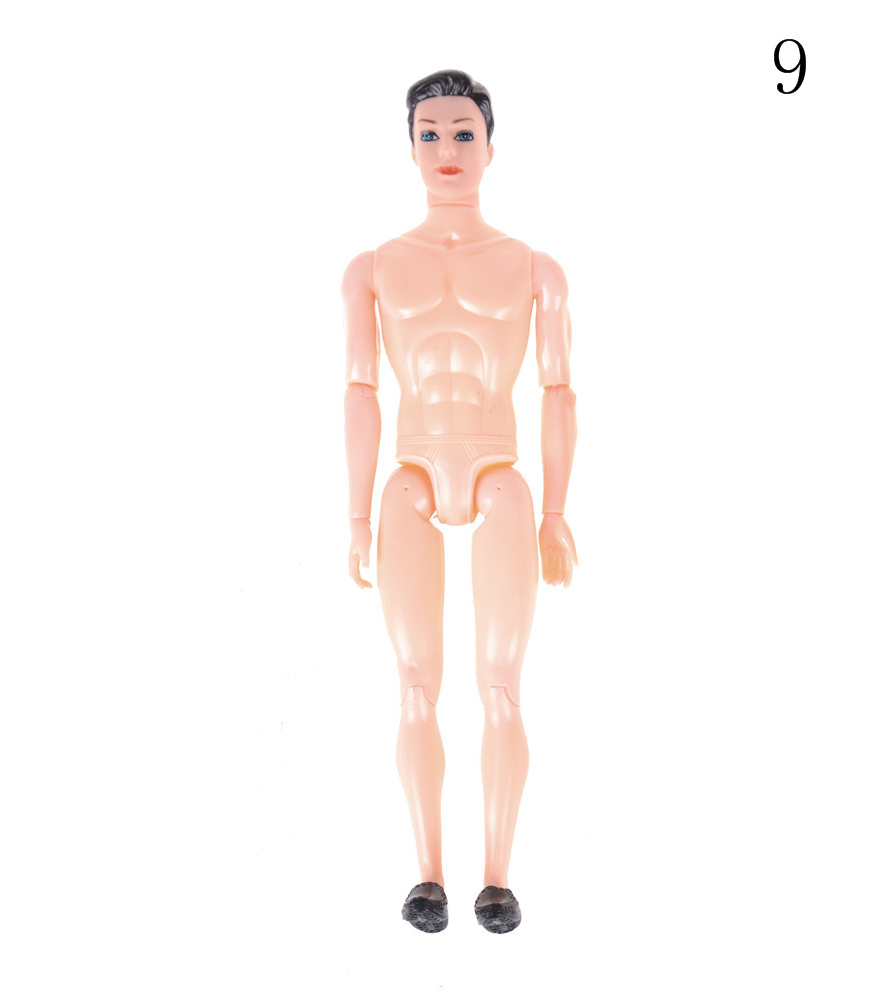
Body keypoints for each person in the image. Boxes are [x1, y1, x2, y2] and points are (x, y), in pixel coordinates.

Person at [342, 69, 578, 934]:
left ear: (490, 146)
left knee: (501, 684)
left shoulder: (534, 268)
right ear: (410, 148)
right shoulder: (372, 269)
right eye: (431, 134)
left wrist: (555, 511)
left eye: (464, 132)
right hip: (408, 474)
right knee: (415, 684)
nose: (447, 148)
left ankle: (498, 881)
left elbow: (559, 391)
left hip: (499, 472)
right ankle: (428, 878)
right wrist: (357, 516)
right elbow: (359, 390)